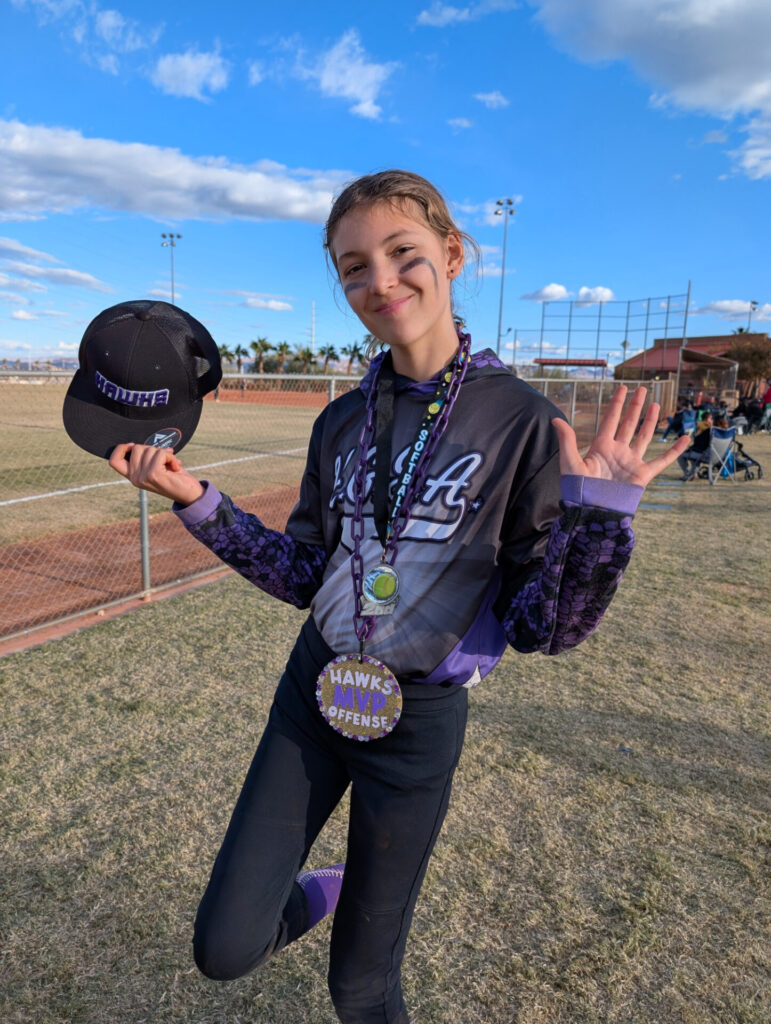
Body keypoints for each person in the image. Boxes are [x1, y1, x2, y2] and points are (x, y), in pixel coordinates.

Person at [108, 170, 690, 1024]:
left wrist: (598, 518)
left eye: (402, 254)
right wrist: (196, 500)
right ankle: (326, 886)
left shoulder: (521, 420)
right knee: (225, 950)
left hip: (414, 724)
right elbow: (307, 573)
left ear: (452, 256)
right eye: (352, 268)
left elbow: (545, 629)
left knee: (361, 986)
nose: (378, 282)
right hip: (314, 695)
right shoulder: (340, 422)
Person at [677, 410, 714, 479]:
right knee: (693, 455)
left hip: (705, 455)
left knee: (681, 456)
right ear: (707, 419)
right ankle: (693, 473)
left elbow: (700, 444)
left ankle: (688, 474)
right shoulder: (716, 431)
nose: (712, 420)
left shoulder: (707, 430)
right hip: (718, 457)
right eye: (711, 419)